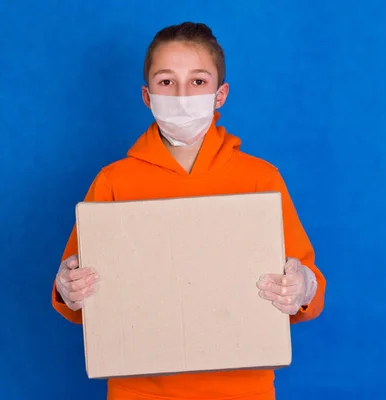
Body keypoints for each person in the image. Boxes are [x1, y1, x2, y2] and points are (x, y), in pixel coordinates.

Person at [51, 21, 326, 400]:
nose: (182, 95)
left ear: (220, 94)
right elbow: (78, 297)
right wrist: (68, 288)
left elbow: (310, 286)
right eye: (166, 82)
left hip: (242, 388)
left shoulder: (260, 178)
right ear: (147, 96)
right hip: (140, 389)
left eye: (198, 81)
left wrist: (302, 286)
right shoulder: (114, 181)